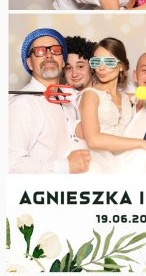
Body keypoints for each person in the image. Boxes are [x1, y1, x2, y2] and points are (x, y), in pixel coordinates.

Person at [78, 38, 146, 173]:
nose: (101, 68)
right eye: (96, 62)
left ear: (121, 66)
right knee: (143, 155)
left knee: (145, 159)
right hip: (95, 161)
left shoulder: (127, 98)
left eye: (109, 62)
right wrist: (143, 143)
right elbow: (93, 139)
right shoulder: (91, 95)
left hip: (119, 161)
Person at [9, 29, 91, 174]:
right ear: (29, 63)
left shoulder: (69, 100)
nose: (48, 55)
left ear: (63, 61)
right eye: (39, 51)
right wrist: (65, 166)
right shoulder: (23, 105)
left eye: (56, 50)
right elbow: (10, 164)